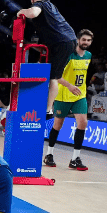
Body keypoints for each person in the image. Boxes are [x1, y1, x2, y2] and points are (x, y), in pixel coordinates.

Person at [16, 0, 77, 113]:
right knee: (47, 70)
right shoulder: (51, 6)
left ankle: (47, 110)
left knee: (53, 78)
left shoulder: (39, 5)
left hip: (62, 42)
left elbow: (33, 13)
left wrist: (21, 12)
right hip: (66, 41)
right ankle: (38, 102)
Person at [44, 29, 93, 171]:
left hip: (80, 95)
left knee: (83, 123)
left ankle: (75, 158)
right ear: (78, 40)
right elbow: (57, 76)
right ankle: (49, 154)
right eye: (84, 39)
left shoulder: (88, 55)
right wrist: (70, 86)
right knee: (58, 125)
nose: (86, 43)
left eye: (89, 40)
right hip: (64, 94)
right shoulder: (68, 55)